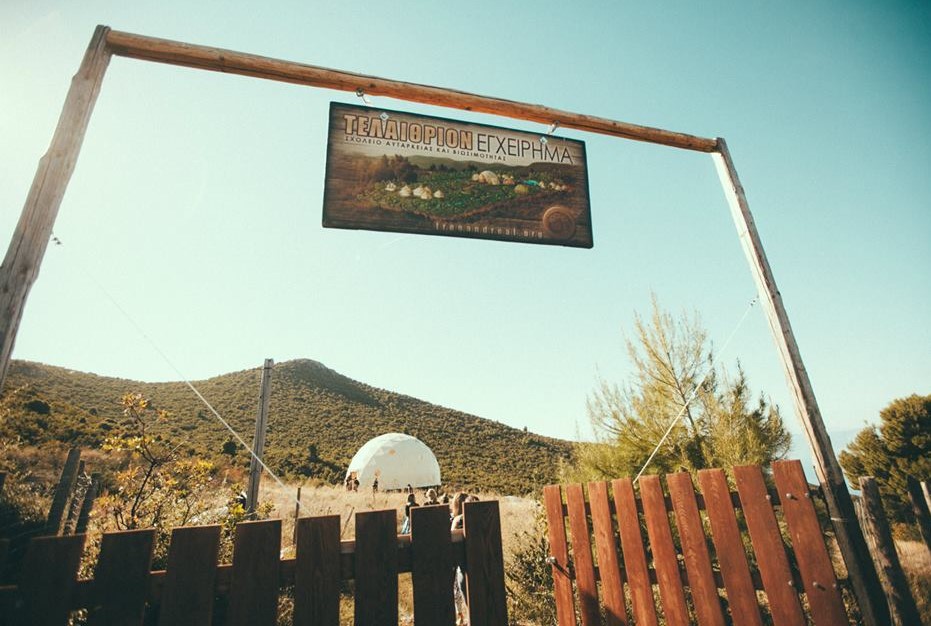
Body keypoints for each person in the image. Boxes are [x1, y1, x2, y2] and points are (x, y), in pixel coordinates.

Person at [450, 492, 470, 624]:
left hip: (459, 564)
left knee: (458, 587)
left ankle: (460, 615)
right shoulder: (472, 517)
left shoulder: (456, 520)